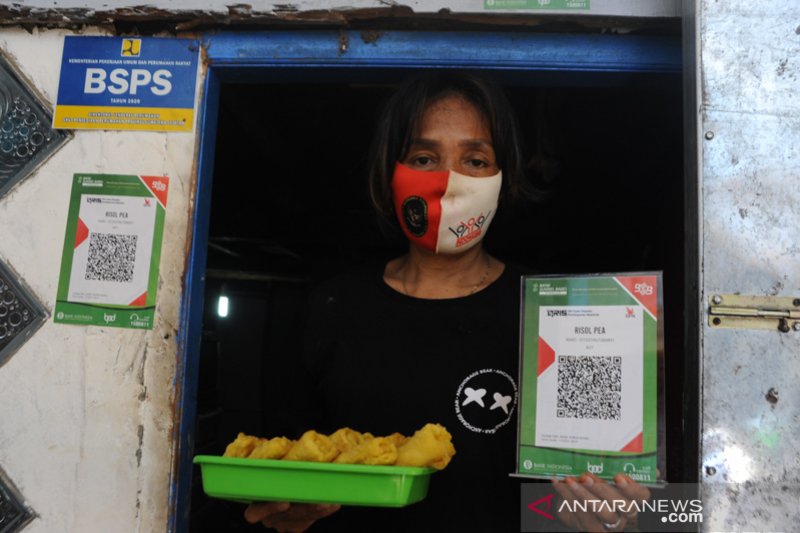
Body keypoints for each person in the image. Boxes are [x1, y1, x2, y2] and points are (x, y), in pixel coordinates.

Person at [244, 71, 650, 532]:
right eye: (423, 157)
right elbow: (285, 475)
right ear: (388, 172)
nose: (449, 181)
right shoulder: (332, 306)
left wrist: (621, 519)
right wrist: (288, 512)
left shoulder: (562, 316)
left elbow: (603, 490)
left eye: (475, 160)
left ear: (503, 178)